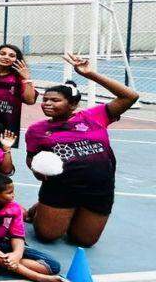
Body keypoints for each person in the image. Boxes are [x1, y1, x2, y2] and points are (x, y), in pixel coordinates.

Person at [25, 54, 138, 246]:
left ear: (73, 105)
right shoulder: (37, 130)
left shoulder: (93, 116)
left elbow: (130, 96)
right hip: (62, 187)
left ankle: (52, 210)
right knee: (48, 236)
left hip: (99, 187)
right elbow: (31, 158)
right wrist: (36, 169)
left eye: (55, 100)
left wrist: (90, 73)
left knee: (83, 241)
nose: (47, 104)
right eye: (45, 100)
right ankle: (43, 210)